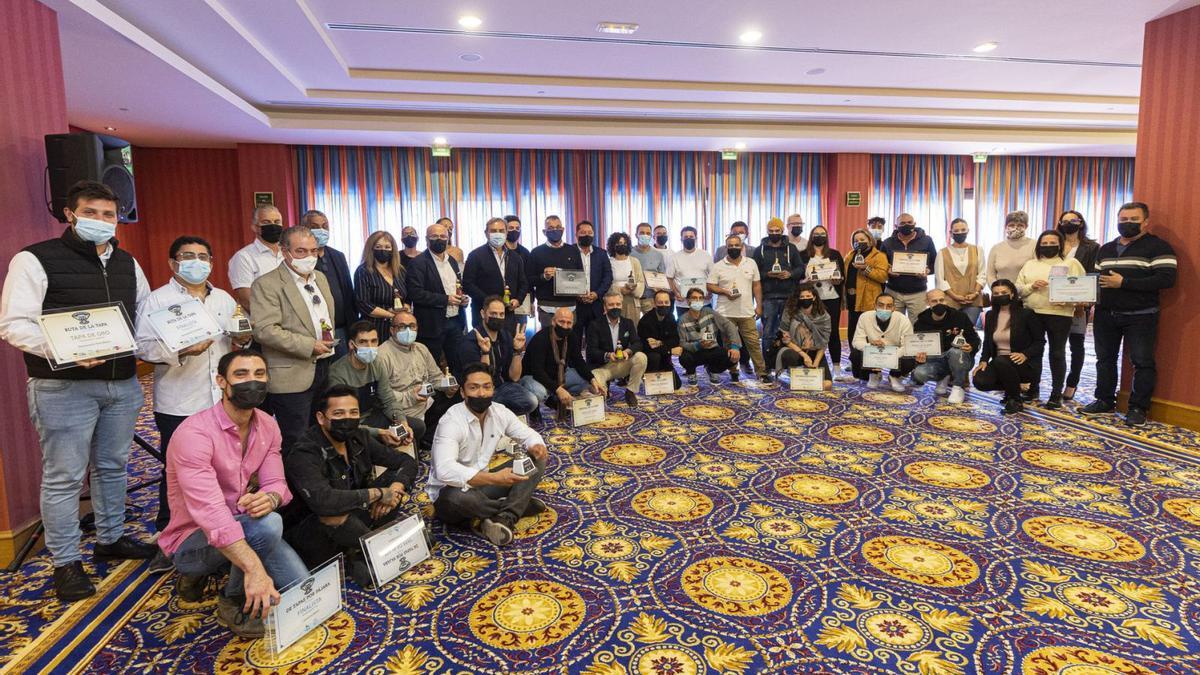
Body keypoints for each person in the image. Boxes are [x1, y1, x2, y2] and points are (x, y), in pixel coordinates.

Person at [0, 180, 155, 601]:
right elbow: (14, 323)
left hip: (121, 382)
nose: (101, 221)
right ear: (70, 214)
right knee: (64, 476)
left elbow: (142, 318)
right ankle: (66, 562)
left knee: (112, 466)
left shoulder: (128, 263)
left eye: (109, 214)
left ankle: (110, 537)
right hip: (63, 386)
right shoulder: (35, 259)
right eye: (91, 213)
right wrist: (62, 351)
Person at [158, 350, 308, 638]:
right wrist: (255, 570)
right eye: (241, 375)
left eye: (259, 375)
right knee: (269, 525)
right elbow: (212, 517)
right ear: (221, 382)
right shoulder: (194, 434)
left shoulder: (267, 424)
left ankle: (233, 565)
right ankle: (233, 598)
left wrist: (271, 498)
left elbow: (277, 483)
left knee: (303, 588)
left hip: (244, 522)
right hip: (192, 538)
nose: (252, 382)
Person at [136, 235, 245, 534]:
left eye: (202, 257)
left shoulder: (223, 298)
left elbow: (235, 336)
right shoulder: (157, 300)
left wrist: (242, 339)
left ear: (211, 263)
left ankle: (221, 525)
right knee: (177, 471)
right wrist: (181, 350)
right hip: (179, 402)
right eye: (187, 256)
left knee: (222, 465)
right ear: (173, 263)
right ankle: (171, 531)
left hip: (220, 401)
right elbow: (142, 347)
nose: (196, 262)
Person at [283, 385, 417, 584]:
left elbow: (406, 462)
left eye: (353, 412)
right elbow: (324, 502)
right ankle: (383, 548)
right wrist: (378, 493)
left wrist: (395, 489)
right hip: (312, 530)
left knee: (395, 482)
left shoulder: (358, 436)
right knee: (334, 513)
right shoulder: (304, 453)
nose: (347, 419)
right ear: (321, 418)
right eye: (338, 413)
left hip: (352, 511)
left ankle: (361, 551)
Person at [429, 363, 550, 546]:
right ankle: (517, 506)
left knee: (536, 459)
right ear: (463, 392)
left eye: (486, 387)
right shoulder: (451, 421)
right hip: (451, 493)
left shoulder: (499, 411)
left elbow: (527, 434)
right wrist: (494, 479)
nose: (481, 394)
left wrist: (536, 445)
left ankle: (504, 516)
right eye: (474, 388)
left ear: (493, 388)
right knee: (458, 498)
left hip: (484, 486)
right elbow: (445, 471)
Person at [1082, 202, 1177, 426]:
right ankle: (1104, 400)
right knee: (1104, 360)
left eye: (1133, 220)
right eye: (1123, 220)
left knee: (1142, 362)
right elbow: (1096, 280)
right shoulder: (1105, 248)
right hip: (1106, 313)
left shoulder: (1159, 247)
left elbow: (1166, 279)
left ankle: (1138, 408)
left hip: (1141, 314)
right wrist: (1086, 296)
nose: (1127, 224)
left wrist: (1125, 282)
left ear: (1145, 221)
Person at [251, 226, 336, 454]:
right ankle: (296, 487)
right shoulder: (267, 284)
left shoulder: (321, 278)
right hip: (290, 373)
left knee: (320, 430)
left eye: (313, 250)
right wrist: (309, 346)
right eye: (300, 251)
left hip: (324, 365)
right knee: (295, 437)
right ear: (284, 251)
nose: (309, 257)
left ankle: (318, 481)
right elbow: (265, 330)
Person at [1016, 230, 1086, 408]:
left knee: (1056, 353)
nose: (1048, 246)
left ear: (1060, 244)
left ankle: (1056, 394)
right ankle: (1033, 389)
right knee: (1033, 354)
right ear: (1039, 245)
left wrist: (1071, 299)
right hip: (1032, 313)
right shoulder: (1030, 264)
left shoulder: (1071, 263)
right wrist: (1032, 285)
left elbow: (1082, 290)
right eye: (1044, 243)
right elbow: (1018, 289)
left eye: (1052, 243)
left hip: (1059, 315)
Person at [375, 310, 456, 448]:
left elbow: (435, 377)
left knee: (460, 396)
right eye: (402, 326)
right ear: (392, 330)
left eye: (412, 326)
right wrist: (410, 396)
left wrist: (447, 386)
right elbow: (382, 395)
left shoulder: (421, 348)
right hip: (402, 408)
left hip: (426, 401)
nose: (408, 330)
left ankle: (428, 441)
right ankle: (420, 441)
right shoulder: (382, 355)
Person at [326, 320, 414, 445]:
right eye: (363, 342)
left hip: (372, 416)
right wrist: (379, 433)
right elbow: (343, 421)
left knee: (417, 427)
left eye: (374, 341)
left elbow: (388, 400)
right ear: (351, 344)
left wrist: (402, 422)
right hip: (352, 426)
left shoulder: (377, 363)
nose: (370, 347)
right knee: (373, 444)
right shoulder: (337, 374)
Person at [459, 296, 539, 418]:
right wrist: (485, 353)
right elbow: (480, 381)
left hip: (501, 386)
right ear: (482, 314)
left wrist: (517, 351)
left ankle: (498, 415)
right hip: (479, 391)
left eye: (501, 314)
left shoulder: (505, 336)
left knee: (531, 401)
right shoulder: (470, 341)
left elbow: (514, 377)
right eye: (493, 313)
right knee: (483, 406)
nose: (497, 317)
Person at [405, 222, 467, 375]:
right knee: (430, 368)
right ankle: (436, 399)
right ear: (426, 240)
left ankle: (457, 396)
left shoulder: (452, 261)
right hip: (431, 325)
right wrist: (446, 299)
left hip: (455, 322)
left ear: (448, 238)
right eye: (434, 236)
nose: (439, 239)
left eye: (443, 236)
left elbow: (456, 287)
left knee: (458, 365)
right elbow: (415, 293)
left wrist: (462, 299)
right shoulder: (417, 263)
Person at [708, 234, 770, 382]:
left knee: (753, 343)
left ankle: (761, 373)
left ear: (742, 247)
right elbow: (710, 285)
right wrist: (724, 292)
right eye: (731, 246)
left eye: (737, 245)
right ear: (726, 247)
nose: (734, 248)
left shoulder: (751, 263)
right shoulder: (718, 266)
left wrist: (759, 306)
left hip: (747, 312)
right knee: (728, 344)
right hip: (725, 312)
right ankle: (733, 370)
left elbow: (756, 285)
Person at [972, 280, 1038, 414]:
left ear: (1012, 294)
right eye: (996, 293)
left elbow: (1040, 341)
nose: (1000, 295)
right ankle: (1013, 386)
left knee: (1001, 360)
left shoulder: (1026, 314)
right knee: (980, 380)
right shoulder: (990, 315)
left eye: (1004, 292)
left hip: (1022, 363)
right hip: (999, 362)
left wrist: (1025, 354)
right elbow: (987, 342)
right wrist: (983, 361)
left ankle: (1015, 400)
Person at [523, 306, 603, 417]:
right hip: (533, 377)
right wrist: (558, 389)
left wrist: (592, 379)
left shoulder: (571, 336)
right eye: (561, 322)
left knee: (585, 382)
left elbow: (579, 361)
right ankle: (536, 408)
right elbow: (537, 372)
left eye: (569, 323)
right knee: (540, 392)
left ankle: (553, 399)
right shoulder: (541, 339)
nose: (565, 326)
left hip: (557, 374)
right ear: (553, 322)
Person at [1055, 210, 1100, 401]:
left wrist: (1083, 303)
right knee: (1055, 346)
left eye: (1072, 220)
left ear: (1080, 223)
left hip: (1079, 303)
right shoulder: (1053, 243)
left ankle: (1072, 382)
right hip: (1054, 303)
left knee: (1076, 344)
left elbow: (1092, 276)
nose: (1068, 223)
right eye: (1064, 221)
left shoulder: (1091, 247)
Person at [910, 289, 981, 404]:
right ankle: (943, 376)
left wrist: (971, 346)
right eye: (934, 301)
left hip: (960, 357)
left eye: (941, 300)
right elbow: (918, 347)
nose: (939, 303)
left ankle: (958, 387)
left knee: (955, 352)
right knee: (919, 373)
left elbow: (975, 339)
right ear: (927, 303)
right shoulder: (921, 322)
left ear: (946, 300)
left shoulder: (960, 316)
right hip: (936, 359)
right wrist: (919, 357)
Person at [753, 217, 804, 372]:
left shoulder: (791, 249)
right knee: (768, 332)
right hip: (768, 298)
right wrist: (768, 274)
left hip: (789, 296)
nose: (774, 233)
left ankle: (789, 362)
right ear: (767, 232)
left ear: (782, 231)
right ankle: (767, 366)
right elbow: (754, 274)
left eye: (777, 231)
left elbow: (801, 269)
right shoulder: (759, 250)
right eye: (771, 231)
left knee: (790, 331)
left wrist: (790, 274)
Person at [301, 210, 355, 354]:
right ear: (304, 229)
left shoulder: (338, 256)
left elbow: (348, 293)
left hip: (341, 329)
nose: (321, 230)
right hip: (315, 333)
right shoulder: (300, 260)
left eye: (325, 227)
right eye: (316, 226)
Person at [463, 217, 529, 330]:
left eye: (501, 231)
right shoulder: (475, 255)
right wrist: (490, 302)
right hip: (483, 313)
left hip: (508, 314)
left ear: (506, 232)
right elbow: (468, 284)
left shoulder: (515, 257)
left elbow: (523, 283)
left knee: (508, 345)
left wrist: (518, 299)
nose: (498, 234)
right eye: (493, 231)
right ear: (486, 233)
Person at [843, 229, 890, 382]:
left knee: (871, 335)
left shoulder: (879, 256)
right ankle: (855, 362)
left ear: (870, 240)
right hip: (852, 300)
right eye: (856, 240)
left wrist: (866, 268)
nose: (859, 242)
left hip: (870, 301)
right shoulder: (850, 255)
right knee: (853, 334)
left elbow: (883, 277)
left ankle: (873, 368)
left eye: (863, 239)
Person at [800, 225, 846, 380]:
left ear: (826, 237)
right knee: (809, 332)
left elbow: (841, 277)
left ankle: (837, 368)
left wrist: (837, 279)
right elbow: (798, 279)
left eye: (822, 234)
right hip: (811, 300)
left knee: (832, 332)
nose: (819, 236)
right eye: (816, 234)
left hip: (831, 298)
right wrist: (807, 281)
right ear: (811, 236)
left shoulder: (834, 254)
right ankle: (810, 365)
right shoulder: (803, 255)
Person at [586, 293, 648, 407]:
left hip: (620, 365)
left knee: (641, 357)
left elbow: (638, 343)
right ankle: (604, 389)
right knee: (597, 393)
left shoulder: (628, 323)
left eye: (618, 304)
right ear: (605, 307)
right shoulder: (594, 325)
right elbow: (591, 351)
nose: (615, 307)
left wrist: (628, 351)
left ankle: (630, 391)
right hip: (602, 367)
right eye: (611, 304)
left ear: (621, 306)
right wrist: (608, 355)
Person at [526, 215, 583, 328]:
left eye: (558, 227)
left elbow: (580, 276)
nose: (555, 230)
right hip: (546, 307)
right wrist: (544, 277)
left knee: (569, 341)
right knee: (547, 341)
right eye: (551, 228)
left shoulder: (573, 251)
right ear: (544, 231)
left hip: (570, 306)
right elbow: (529, 280)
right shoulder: (536, 252)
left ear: (563, 229)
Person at [851, 294, 915, 392]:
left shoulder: (903, 320)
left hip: (895, 354)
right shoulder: (864, 317)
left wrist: (889, 356)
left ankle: (894, 377)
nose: (884, 309)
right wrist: (870, 347)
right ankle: (874, 375)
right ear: (875, 306)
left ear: (894, 308)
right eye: (880, 305)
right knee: (855, 354)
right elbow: (856, 341)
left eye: (889, 306)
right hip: (873, 352)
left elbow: (907, 346)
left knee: (910, 357)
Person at [677, 288, 741, 385]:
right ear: (688, 301)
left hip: (712, 349)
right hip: (695, 352)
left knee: (731, 356)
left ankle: (713, 370)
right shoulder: (682, 320)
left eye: (700, 298)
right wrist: (698, 345)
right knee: (683, 357)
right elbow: (682, 343)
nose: (697, 301)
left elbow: (729, 325)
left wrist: (735, 347)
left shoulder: (709, 312)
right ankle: (691, 372)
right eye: (694, 298)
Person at [775, 283, 833, 390]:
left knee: (827, 385)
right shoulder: (790, 312)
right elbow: (785, 339)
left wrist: (815, 363)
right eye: (802, 297)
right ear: (798, 298)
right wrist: (804, 356)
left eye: (808, 296)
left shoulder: (824, 317)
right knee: (790, 356)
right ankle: (794, 370)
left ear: (814, 297)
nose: (805, 299)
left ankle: (805, 378)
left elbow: (823, 343)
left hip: (815, 352)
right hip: (794, 349)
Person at [881, 213, 937, 321]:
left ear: (914, 224)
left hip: (918, 292)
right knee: (893, 324)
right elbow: (882, 265)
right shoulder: (887, 243)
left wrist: (927, 270)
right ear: (896, 226)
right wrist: (888, 270)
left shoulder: (927, 240)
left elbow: (934, 263)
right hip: (893, 291)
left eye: (909, 223)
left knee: (918, 325)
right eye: (902, 223)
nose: (906, 225)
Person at [228, 205, 284, 313]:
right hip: (264, 323)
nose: (272, 226)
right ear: (254, 227)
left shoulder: (289, 253)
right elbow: (247, 301)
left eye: (277, 222)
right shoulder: (243, 257)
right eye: (266, 222)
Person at [354, 231, 407, 344]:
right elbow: (364, 304)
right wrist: (391, 315)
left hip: (398, 327)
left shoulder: (400, 270)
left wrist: (405, 310)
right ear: (371, 249)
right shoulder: (363, 271)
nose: (383, 250)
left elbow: (407, 297)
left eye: (387, 247)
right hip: (374, 329)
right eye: (378, 246)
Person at [936, 218, 986, 325]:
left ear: (968, 231)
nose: (960, 233)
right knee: (952, 331)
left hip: (973, 299)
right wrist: (955, 296)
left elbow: (982, 274)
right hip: (950, 300)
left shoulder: (978, 249)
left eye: (963, 230)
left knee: (968, 329)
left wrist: (975, 293)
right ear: (951, 233)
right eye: (957, 231)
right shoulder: (942, 252)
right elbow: (940, 279)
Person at [637, 290, 683, 390]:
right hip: (650, 358)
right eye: (660, 302)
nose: (664, 305)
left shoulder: (671, 317)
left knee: (676, 385)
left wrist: (660, 342)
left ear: (670, 303)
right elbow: (647, 347)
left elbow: (675, 340)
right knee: (655, 356)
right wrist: (669, 350)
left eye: (666, 302)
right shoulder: (645, 321)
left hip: (665, 356)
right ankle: (647, 376)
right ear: (654, 304)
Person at [574, 220, 612, 335]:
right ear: (576, 235)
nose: (587, 235)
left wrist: (597, 294)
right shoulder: (569, 251)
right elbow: (564, 276)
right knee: (575, 337)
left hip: (596, 304)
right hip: (575, 304)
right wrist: (577, 294)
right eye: (583, 232)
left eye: (590, 232)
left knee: (595, 337)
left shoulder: (601, 253)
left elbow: (608, 276)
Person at [669, 226, 712, 320]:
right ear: (681, 239)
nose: (688, 239)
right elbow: (669, 277)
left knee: (707, 329)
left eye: (691, 236)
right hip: (683, 303)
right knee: (685, 330)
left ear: (696, 238)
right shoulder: (675, 257)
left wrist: (710, 291)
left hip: (703, 302)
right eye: (686, 237)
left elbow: (712, 275)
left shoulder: (705, 255)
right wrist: (676, 293)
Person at [987, 210, 1036, 286]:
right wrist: (997, 290)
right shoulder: (996, 248)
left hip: (1026, 294)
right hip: (1001, 294)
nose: (1015, 228)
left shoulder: (1034, 245)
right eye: (1012, 225)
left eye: (1020, 225)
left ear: (1026, 226)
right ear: (1006, 226)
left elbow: (1036, 272)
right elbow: (990, 275)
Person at [503, 216, 533, 334]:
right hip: (500, 302)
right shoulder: (498, 251)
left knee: (519, 337)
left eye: (517, 228)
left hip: (521, 302)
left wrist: (531, 302)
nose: (514, 231)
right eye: (511, 228)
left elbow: (528, 280)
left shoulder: (525, 253)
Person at [606, 232, 645, 320]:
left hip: (632, 301)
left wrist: (633, 289)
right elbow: (605, 283)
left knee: (631, 330)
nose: (622, 245)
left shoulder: (635, 261)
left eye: (625, 243)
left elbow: (641, 281)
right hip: (613, 301)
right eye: (619, 243)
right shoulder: (608, 262)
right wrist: (620, 290)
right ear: (613, 245)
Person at [631, 223, 666, 315]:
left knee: (651, 327)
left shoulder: (658, 255)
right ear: (636, 235)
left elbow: (662, 276)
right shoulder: (628, 253)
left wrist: (659, 287)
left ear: (651, 236)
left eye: (648, 233)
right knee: (633, 327)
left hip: (650, 299)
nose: (645, 235)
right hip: (632, 298)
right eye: (642, 233)